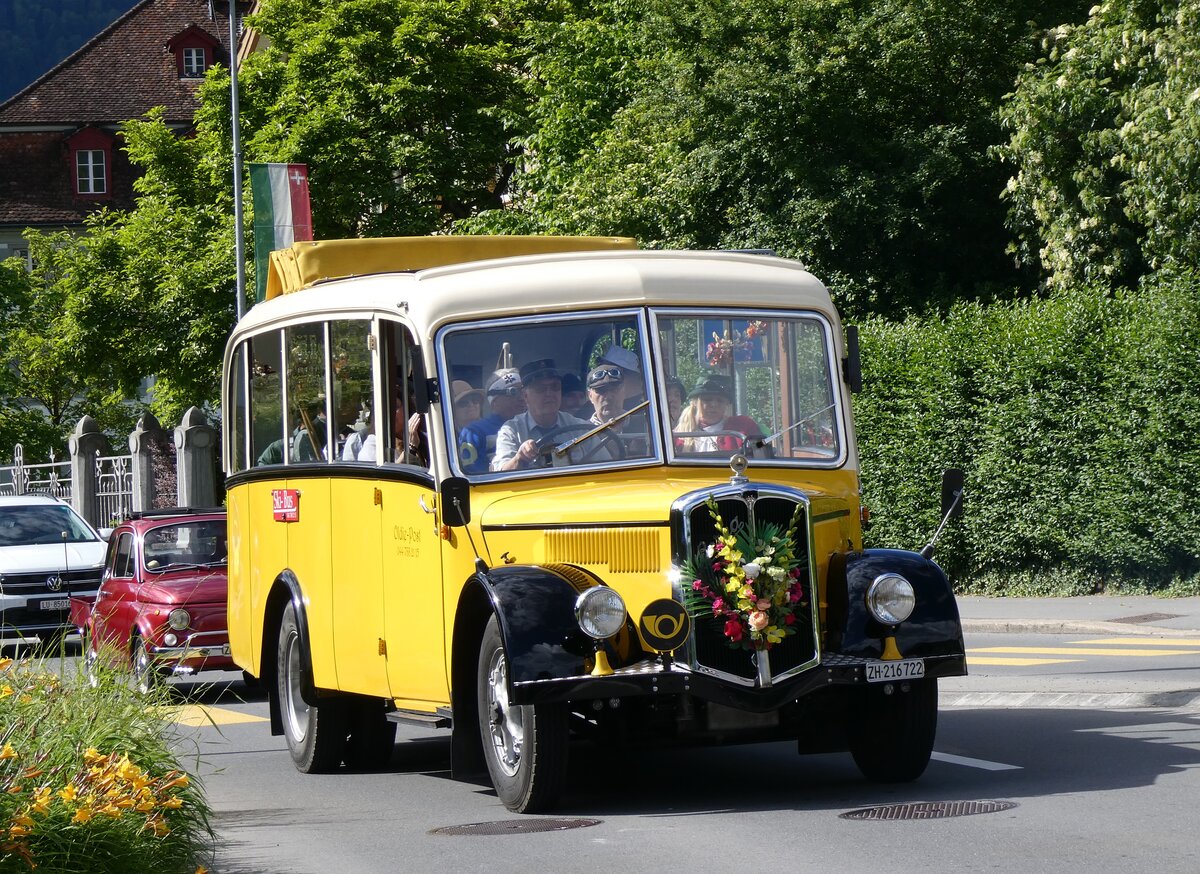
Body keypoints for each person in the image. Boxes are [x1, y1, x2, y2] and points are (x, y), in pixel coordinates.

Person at [492, 359, 590, 471]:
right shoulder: (512, 431)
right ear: (525, 396)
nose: (549, 393)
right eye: (540, 388)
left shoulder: (581, 429)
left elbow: (604, 466)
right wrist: (520, 458)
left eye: (555, 387)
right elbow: (500, 475)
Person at [458, 369, 525, 472]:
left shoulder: (536, 423)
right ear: (494, 401)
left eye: (523, 391)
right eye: (513, 392)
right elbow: (475, 476)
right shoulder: (474, 431)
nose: (522, 398)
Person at [675, 375, 762, 454]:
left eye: (720, 400)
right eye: (707, 400)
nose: (714, 405)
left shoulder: (743, 427)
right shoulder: (679, 436)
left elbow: (761, 455)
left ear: (727, 404)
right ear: (694, 402)